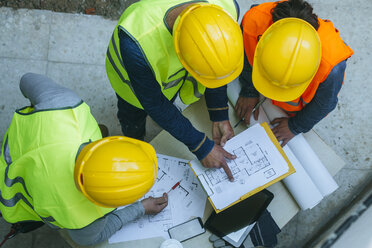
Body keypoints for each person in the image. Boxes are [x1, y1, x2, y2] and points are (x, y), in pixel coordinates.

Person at [0, 73, 168, 246]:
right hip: (13, 203)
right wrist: (140, 208)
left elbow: (26, 80)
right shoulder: (88, 218)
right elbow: (92, 238)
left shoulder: (64, 106)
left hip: (10, 150)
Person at [105, 0, 244, 180]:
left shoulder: (227, 9)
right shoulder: (136, 42)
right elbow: (155, 104)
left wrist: (219, 113)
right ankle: (134, 141)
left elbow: (216, 67)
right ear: (179, 50)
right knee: (132, 118)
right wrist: (201, 146)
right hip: (130, 90)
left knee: (167, 106)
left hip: (165, 83)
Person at [235, 0, 354, 146]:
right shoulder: (254, 22)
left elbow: (324, 103)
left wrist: (295, 126)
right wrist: (249, 90)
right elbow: (247, 55)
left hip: (293, 112)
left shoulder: (331, 65)